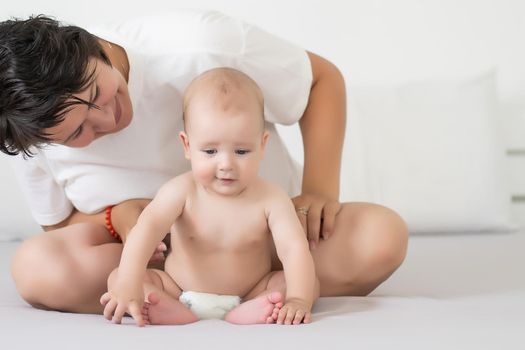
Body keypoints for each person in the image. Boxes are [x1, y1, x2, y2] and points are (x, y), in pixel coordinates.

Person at [1, 10, 408, 315]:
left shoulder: (200, 45)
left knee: (381, 236)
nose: (108, 119)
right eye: (78, 135)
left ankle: (269, 289)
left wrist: (319, 191)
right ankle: (161, 297)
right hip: (152, 259)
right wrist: (115, 217)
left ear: (91, 44)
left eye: (95, 93)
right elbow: (57, 226)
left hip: (266, 243)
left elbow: (321, 80)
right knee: (36, 267)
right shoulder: (32, 132)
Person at [101, 67, 318, 326]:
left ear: (262, 146)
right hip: (178, 289)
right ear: (187, 146)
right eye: (210, 151)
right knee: (119, 277)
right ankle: (167, 308)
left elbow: (293, 249)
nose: (226, 164)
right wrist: (128, 283)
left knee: (303, 282)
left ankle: (253, 310)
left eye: (241, 151)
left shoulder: (272, 198)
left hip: (250, 292)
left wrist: (298, 299)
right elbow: (145, 230)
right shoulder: (179, 191)